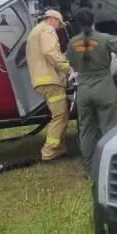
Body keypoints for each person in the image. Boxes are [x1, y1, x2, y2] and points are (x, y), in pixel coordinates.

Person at [65, 7, 117, 175]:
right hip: (103, 88)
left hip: (83, 90)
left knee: (86, 129)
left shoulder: (72, 42)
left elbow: (72, 63)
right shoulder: (105, 38)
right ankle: (111, 169)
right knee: (109, 127)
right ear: (93, 20)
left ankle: (89, 169)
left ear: (79, 24)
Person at [26, 9, 72, 161]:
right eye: (59, 23)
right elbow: (50, 52)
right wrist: (67, 67)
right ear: (52, 19)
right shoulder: (48, 29)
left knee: (59, 113)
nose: (59, 27)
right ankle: (49, 151)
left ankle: (58, 147)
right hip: (50, 80)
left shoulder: (36, 31)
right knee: (60, 115)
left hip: (41, 80)